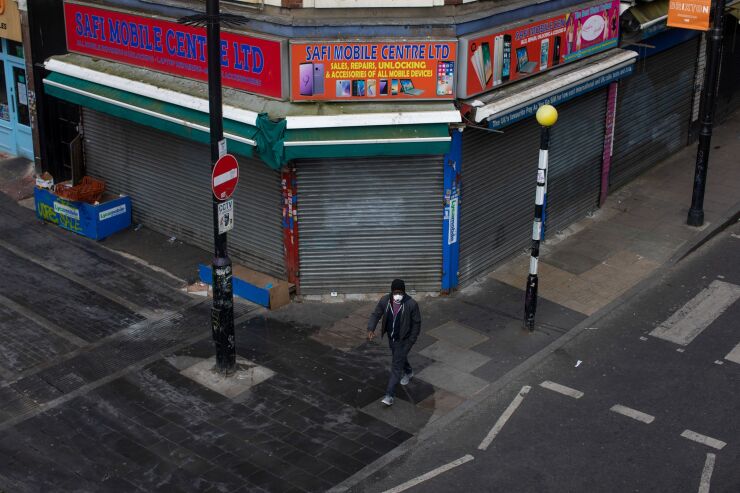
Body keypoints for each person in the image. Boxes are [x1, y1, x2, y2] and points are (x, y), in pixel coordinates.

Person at [367, 279, 421, 406]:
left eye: (400, 292)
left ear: (404, 292)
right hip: (392, 339)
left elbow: (416, 324)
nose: (398, 295)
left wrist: (411, 340)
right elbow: (376, 314)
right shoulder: (385, 301)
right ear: (391, 292)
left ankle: (389, 395)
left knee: (396, 366)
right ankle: (408, 371)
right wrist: (371, 328)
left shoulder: (411, 304)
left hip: (405, 340)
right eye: (396, 292)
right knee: (399, 357)